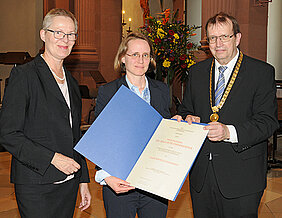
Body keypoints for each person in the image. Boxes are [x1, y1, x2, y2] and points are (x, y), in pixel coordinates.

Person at [174, 12, 279, 217]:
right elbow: (186, 110)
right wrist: (188, 118)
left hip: (242, 176)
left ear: (237, 38)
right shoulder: (197, 72)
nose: (218, 43)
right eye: (212, 38)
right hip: (201, 176)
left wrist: (228, 132)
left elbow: (267, 122)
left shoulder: (261, 72)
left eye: (225, 37)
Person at [0, 8, 91, 217]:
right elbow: (8, 134)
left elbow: (75, 136)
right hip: (36, 184)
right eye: (58, 32)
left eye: (70, 34)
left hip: (68, 185)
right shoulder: (25, 75)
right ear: (43, 35)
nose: (64, 39)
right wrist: (53, 158)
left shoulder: (73, 83)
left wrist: (83, 180)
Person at [94, 32, 170, 218]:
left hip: (155, 182)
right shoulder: (108, 92)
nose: (140, 60)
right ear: (122, 58)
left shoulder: (162, 90)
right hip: (119, 181)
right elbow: (99, 139)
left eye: (145, 55)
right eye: (134, 54)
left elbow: (165, 132)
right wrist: (106, 176)